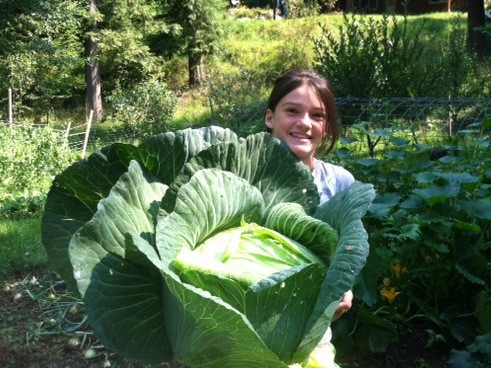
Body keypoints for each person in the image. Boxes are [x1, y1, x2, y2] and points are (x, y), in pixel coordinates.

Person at [265, 68, 355, 366]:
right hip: (238, 332)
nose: (304, 123)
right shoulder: (236, 178)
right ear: (270, 118)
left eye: (317, 115)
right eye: (292, 111)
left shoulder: (341, 183)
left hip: (310, 337)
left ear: (326, 126)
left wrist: (344, 287)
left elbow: (347, 251)